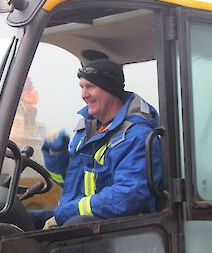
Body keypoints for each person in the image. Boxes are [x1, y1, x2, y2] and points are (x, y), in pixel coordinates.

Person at [30, 59, 162, 230]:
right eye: (81, 87)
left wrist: (65, 214)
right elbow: (72, 183)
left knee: (73, 227)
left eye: (90, 87)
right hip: (85, 217)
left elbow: (127, 197)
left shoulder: (136, 136)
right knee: (21, 218)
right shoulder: (86, 130)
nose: (83, 95)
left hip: (123, 229)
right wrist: (56, 157)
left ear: (110, 88)